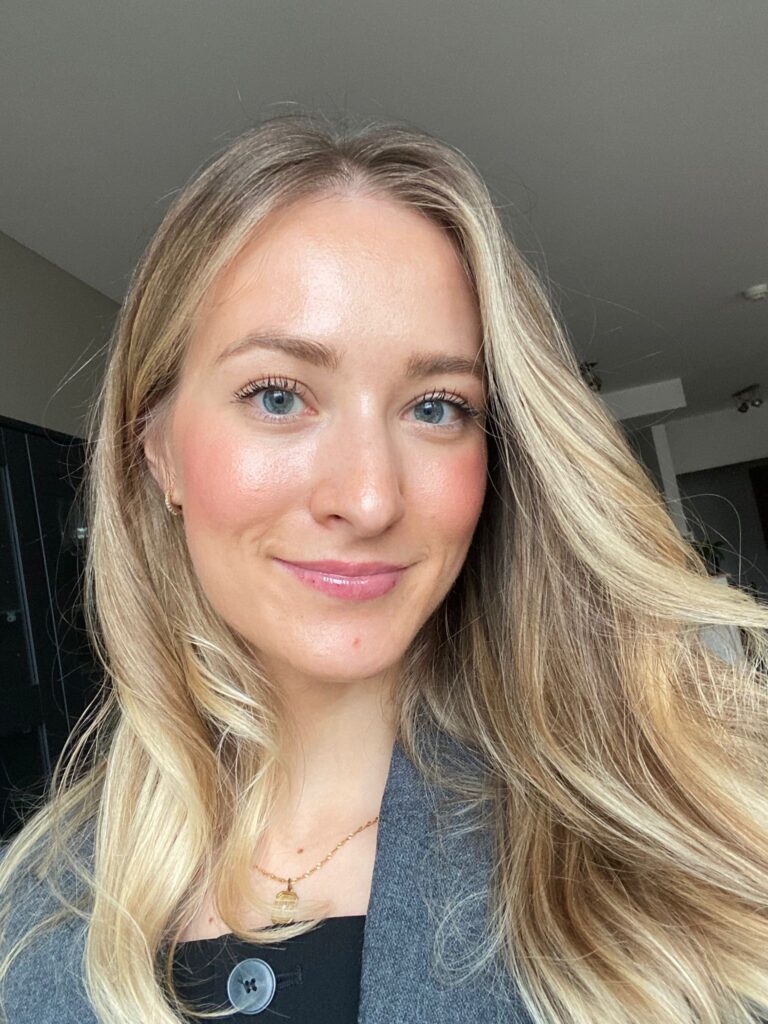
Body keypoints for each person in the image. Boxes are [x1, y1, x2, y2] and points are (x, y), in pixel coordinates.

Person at [1, 111, 767, 1024]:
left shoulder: (685, 846)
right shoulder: (30, 915)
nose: (368, 499)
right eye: (278, 395)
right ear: (157, 449)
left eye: (437, 407)